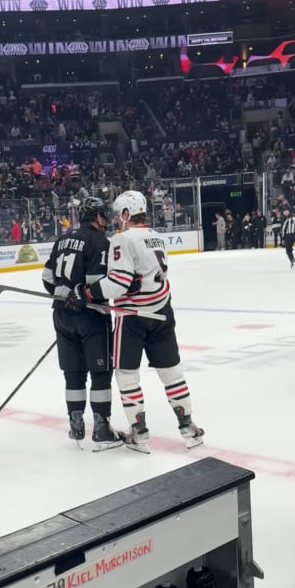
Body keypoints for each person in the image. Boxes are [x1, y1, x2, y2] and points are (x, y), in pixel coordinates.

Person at [71, 190, 204, 454]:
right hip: (162, 313)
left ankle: (139, 432)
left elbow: (118, 284)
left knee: (127, 375)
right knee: (171, 373)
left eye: (118, 214)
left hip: (133, 318)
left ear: (126, 213)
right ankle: (188, 427)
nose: (115, 219)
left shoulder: (122, 239)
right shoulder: (156, 236)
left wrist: (86, 293)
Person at [42, 197, 124, 450]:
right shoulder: (100, 242)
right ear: (97, 217)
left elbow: (47, 278)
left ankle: (76, 425)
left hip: (62, 317)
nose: (106, 220)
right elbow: (96, 283)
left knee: (73, 372)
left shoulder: (62, 239)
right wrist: (79, 296)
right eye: (103, 215)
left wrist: (64, 295)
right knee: (100, 372)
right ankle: (101, 429)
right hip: (91, 316)